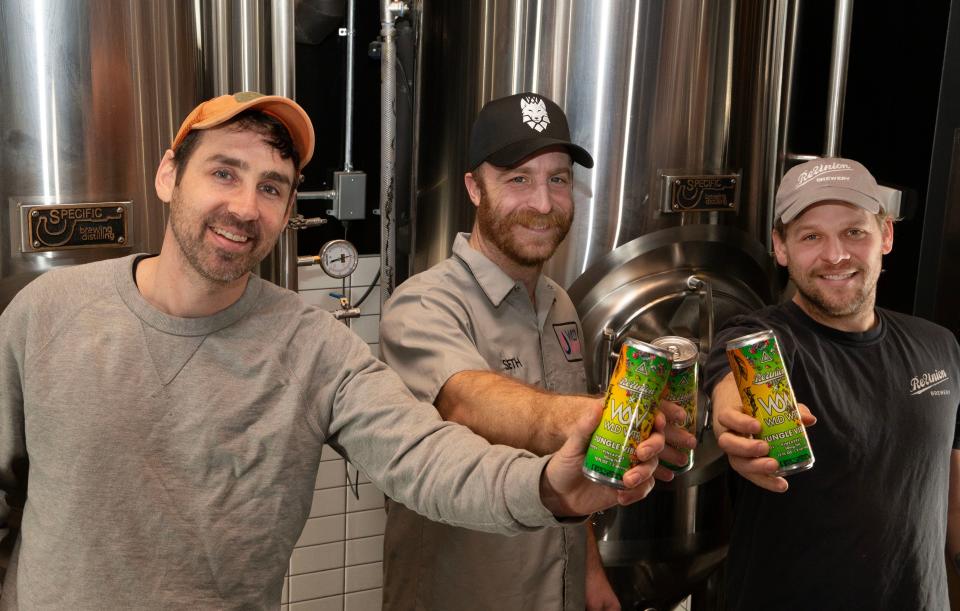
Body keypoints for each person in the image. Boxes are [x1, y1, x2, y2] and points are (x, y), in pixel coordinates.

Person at [0, 92, 671, 609]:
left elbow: (422, 454)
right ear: (169, 174)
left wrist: (544, 485)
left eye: (271, 187)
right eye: (224, 173)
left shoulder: (314, 345)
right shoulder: (47, 312)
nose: (244, 206)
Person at [379, 93, 697, 611]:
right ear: (473, 188)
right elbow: (467, 401)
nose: (544, 204)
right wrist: (590, 416)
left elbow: (561, 462)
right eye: (518, 179)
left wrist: (589, 568)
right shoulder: (422, 304)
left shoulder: (560, 304)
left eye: (558, 179)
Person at [707, 157, 960, 610]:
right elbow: (734, 385)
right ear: (780, 248)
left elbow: (951, 491)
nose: (835, 254)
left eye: (854, 231)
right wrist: (742, 431)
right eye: (810, 236)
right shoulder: (757, 340)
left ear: (886, 235)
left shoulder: (939, 347)